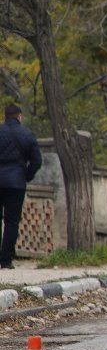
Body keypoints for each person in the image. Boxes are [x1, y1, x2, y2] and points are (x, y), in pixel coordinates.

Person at [0, 104, 42, 269]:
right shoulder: (27, 134)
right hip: (16, 184)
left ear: (5, 116)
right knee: (11, 222)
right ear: (20, 116)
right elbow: (37, 161)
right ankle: (5, 260)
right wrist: (26, 175)